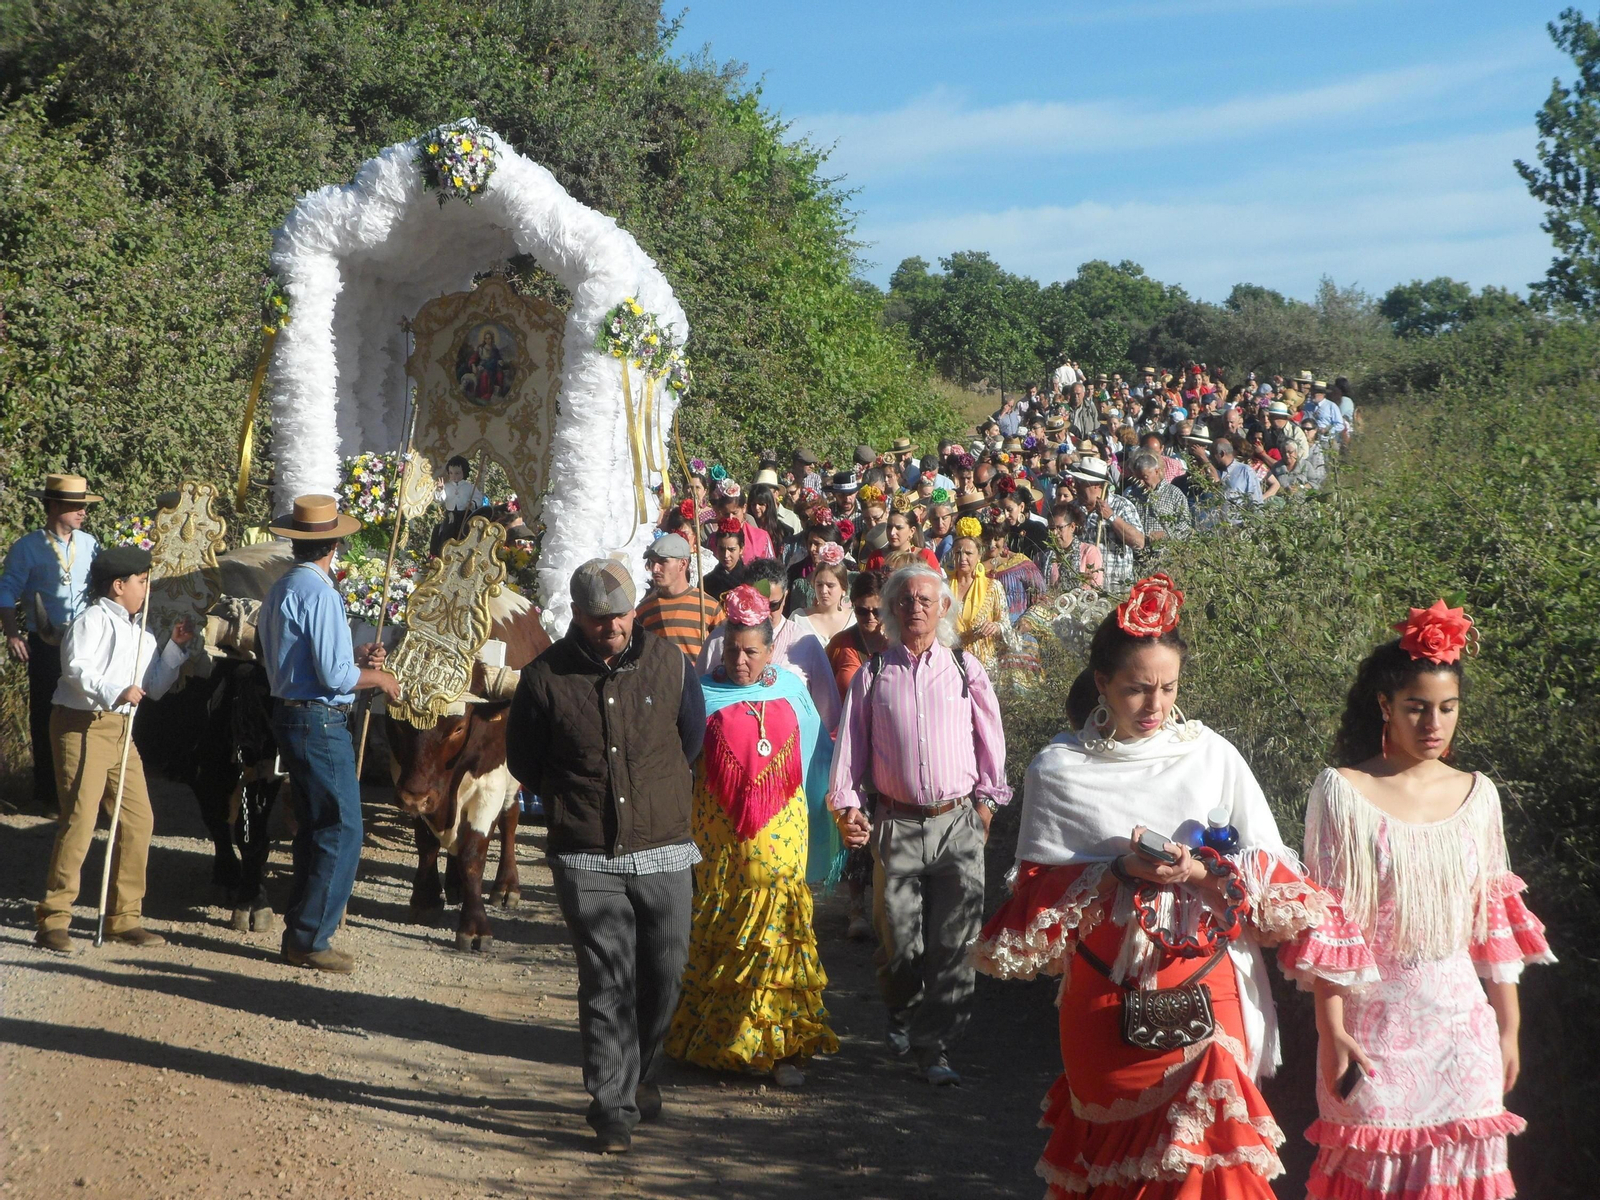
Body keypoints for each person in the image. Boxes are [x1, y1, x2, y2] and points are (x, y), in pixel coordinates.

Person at [971, 574, 1376, 1199]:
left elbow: (1272, 882)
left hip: (1208, 984)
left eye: (1168, 687)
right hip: (1105, 997)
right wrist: (1115, 870)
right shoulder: (1057, 770)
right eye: (1137, 689)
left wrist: (1200, 872)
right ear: (1102, 683)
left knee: (1210, 1165)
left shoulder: (1213, 756)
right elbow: (1037, 907)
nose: (1155, 705)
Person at [1302, 601, 1553, 1200]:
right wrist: (1330, 1029)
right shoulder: (1342, 791)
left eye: (1447, 708)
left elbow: (1492, 920)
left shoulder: (1479, 795)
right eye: (1416, 708)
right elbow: (1329, 923)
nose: (1433, 724)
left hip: (1462, 1034)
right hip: (1372, 1032)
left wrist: (1509, 1028)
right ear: (1385, 706)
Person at [506, 558, 707, 1154]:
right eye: (599, 620)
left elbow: (691, 738)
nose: (612, 628)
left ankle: (641, 1074)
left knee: (665, 972)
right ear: (578, 616)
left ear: (634, 609)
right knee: (605, 980)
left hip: (665, 847)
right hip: (586, 854)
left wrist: (659, 792)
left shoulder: (672, 664)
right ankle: (612, 1105)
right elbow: (524, 760)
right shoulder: (544, 677)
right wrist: (575, 796)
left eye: (620, 615)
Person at [828, 564, 1010, 1086]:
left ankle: (934, 1049)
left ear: (945, 608)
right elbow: (850, 750)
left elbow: (990, 740)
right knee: (899, 945)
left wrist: (986, 808)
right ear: (890, 609)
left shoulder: (964, 668)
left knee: (955, 943)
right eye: (905, 600)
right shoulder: (873, 673)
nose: (916, 608)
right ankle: (903, 1015)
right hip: (896, 824)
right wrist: (848, 807)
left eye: (926, 600)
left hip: (957, 822)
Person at [666, 586, 840, 1086]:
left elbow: (814, 757)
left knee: (778, 928)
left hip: (781, 834)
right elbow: (681, 763)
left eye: (751, 652)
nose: (740, 661)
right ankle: (716, 1040)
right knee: (722, 925)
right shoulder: (699, 693)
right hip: (720, 842)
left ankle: (779, 1046)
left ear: (770, 650)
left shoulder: (791, 689)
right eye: (731, 650)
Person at [258, 495, 400, 973]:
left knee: (317, 825)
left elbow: (310, 662)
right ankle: (310, 937)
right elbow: (336, 679)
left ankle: (302, 926)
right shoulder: (319, 592)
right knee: (341, 828)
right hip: (318, 720)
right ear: (334, 543)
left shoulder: (283, 587)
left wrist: (353, 662)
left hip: (291, 712)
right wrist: (377, 678)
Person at [32, 547, 193, 952]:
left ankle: (125, 917)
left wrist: (174, 648)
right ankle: (53, 918)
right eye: (142, 582)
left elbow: (152, 687)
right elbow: (76, 668)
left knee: (139, 820)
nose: (147, 588)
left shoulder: (143, 634)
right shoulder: (92, 619)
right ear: (119, 586)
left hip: (122, 730)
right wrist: (114, 690)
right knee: (80, 819)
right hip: (80, 725)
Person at [0, 473, 101, 811]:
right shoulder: (27, 547)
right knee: (47, 713)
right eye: (75, 506)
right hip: (45, 643)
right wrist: (13, 633)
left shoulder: (90, 545)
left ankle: (87, 790)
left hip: (85, 642)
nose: (82, 512)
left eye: (84, 506)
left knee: (88, 711)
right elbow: (6, 591)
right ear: (54, 505)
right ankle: (48, 793)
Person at [696, 558, 841, 735]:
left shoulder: (806, 643)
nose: (764, 612)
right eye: (757, 603)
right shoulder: (719, 640)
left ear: (785, 597)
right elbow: (700, 701)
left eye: (773, 605)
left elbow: (828, 717)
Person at [1063, 457, 1145, 596]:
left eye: (1081, 483)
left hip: (1115, 590)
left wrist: (1111, 517)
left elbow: (1139, 543)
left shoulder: (1122, 506)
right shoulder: (1073, 508)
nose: (1075, 486)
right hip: (1080, 591)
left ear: (1097, 485)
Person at [635, 533, 722, 661]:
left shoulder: (709, 606)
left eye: (662, 561)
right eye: (652, 562)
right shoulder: (644, 610)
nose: (655, 569)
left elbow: (725, 651)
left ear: (682, 563)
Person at [944, 525, 1011, 676]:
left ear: (979, 555)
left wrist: (996, 626)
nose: (962, 558)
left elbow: (1006, 624)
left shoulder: (992, 587)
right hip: (951, 664)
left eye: (968, 553)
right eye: (957, 553)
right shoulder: (943, 587)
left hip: (984, 666)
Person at [431, 455, 485, 555]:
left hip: (465, 516)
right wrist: (440, 490)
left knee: (464, 535)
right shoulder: (447, 486)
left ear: (463, 472)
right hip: (451, 516)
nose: (454, 476)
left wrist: (472, 503)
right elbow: (440, 499)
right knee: (446, 534)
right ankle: (444, 553)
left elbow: (478, 498)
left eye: (457, 473)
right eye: (451, 473)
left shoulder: (469, 487)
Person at [803, 555, 853, 643]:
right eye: (819, 585)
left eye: (830, 586)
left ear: (843, 589)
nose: (823, 591)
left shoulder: (854, 619)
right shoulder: (799, 618)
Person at [705, 520, 748, 601]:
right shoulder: (707, 582)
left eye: (731, 550)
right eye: (721, 549)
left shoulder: (750, 580)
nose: (726, 555)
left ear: (741, 549)